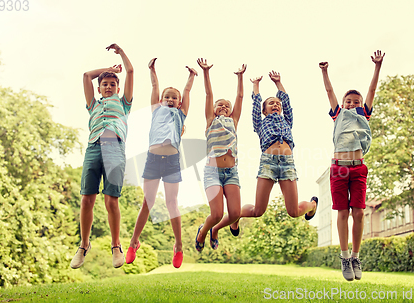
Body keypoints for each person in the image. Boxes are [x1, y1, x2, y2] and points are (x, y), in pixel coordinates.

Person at [319, 50, 385, 281]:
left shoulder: (363, 114)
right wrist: (325, 72)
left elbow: (372, 90)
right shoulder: (338, 114)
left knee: (358, 212)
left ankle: (356, 256)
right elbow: (329, 91)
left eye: (355, 101)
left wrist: (377, 67)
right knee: (343, 211)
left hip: (358, 168)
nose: (351, 103)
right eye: (348, 101)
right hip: (339, 167)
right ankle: (344, 256)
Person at [126, 58, 197, 268]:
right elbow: (155, 86)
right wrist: (152, 70)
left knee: (171, 203)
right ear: (160, 100)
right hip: (153, 159)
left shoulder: (181, 114)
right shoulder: (156, 110)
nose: (170, 99)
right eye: (167, 96)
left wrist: (191, 77)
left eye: (174, 98)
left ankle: (178, 245)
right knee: (147, 202)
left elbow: (187, 92)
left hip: (172, 160)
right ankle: (133, 242)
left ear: (179, 102)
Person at [228, 71, 318, 237]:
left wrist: (278, 83)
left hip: (287, 164)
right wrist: (256, 85)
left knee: (293, 211)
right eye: (271, 103)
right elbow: (255, 105)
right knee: (258, 211)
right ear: (264, 110)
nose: (276, 105)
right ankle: (236, 216)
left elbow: (287, 102)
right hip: (268, 163)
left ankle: (312, 205)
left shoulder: (287, 120)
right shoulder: (260, 123)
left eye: (278, 103)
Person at [70, 43, 134, 269]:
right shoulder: (93, 105)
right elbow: (87, 76)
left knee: (111, 201)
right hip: (94, 147)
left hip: (115, 148)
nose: (108, 86)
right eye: (105, 84)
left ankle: (116, 246)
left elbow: (131, 72)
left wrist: (121, 56)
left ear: (117, 88)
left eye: (112, 84)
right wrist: (108, 69)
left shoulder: (124, 104)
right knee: (87, 198)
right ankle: (83, 245)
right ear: (99, 89)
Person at [194, 58, 246, 252]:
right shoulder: (210, 121)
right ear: (214, 109)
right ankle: (203, 231)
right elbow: (208, 93)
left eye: (227, 106)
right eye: (220, 105)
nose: (224, 107)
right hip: (212, 172)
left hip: (231, 172)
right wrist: (206, 72)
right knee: (216, 213)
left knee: (234, 214)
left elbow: (240, 97)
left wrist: (240, 77)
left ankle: (215, 230)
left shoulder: (234, 120)